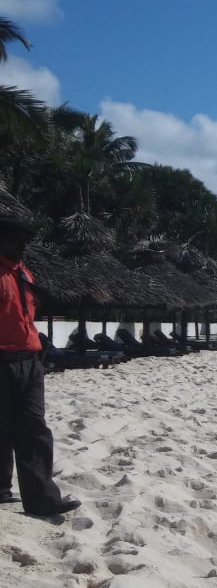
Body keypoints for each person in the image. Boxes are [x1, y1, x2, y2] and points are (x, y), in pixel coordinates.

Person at [0, 215, 80, 517]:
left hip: (29, 362)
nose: (22, 246)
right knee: (2, 429)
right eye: (15, 240)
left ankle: (42, 498)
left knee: (34, 429)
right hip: (2, 360)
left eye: (25, 242)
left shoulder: (25, 276)